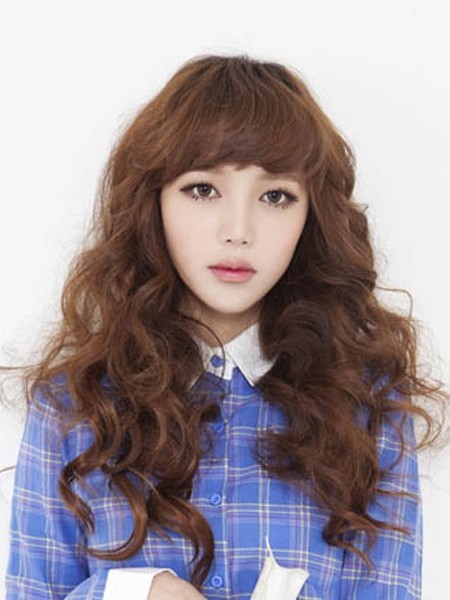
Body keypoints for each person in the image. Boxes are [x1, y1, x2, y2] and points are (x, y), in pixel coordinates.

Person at [4, 53, 447, 599]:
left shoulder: (368, 405)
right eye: (203, 189)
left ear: (310, 217)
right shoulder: (73, 407)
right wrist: (133, 592)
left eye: (276, 196)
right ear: (153, 202)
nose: (238, 231)